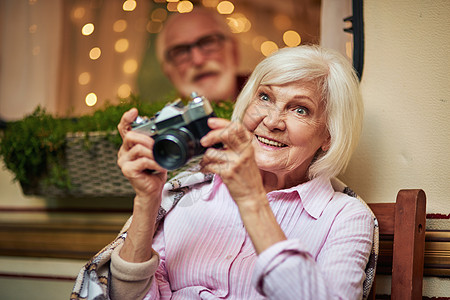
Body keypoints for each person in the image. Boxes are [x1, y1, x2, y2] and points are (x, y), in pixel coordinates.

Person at [72, 45, 376, 300]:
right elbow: (127, 296)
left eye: (300, 110)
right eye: (265, 97)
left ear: (329, 137)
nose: (272, 121)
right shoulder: (189, 193)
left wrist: (251, 198)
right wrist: (147, 198)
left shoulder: (346, 217)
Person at [155, 8, 244, 102]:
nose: (198, 60)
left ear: (234, 52)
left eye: (208, 43)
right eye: (181, 52)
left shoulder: (260, 91)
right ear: (168, 72)